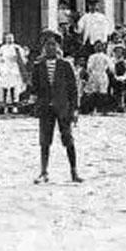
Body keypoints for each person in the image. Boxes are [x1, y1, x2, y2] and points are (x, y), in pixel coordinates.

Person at [31, 33, 82, 184]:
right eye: (47, 45)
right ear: (43, 48)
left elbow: (73, 89)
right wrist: (35, 100)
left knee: (68, 139)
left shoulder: (65, 65)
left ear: (58, 47)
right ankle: (43, 172)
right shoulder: (38, 66)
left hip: (63, 108)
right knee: (44, 141)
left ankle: (74, 171)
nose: (50, 48)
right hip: (46, 108)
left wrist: (75, 109)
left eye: (53, 44)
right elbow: (34, 88)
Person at [0, 33, 26, 115]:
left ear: (13, 39)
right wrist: (1, 61)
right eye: (8, 38)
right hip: (5, 69)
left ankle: (13, 107)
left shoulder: (17, 47)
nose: (9, 40)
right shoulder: (2, 48)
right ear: (5, 39)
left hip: (14, 69)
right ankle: (3, 107)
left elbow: (23, 58)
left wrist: (17, 59)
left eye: (11, 38)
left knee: (14, 88)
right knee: (4, 88)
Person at [84, 43, 113, 114]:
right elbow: (89, 67)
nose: (98, 48)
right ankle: (94, 109)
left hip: (102, 74)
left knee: (102, 92)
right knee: (94, 92)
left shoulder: (105, 56)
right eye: (97, 46)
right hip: (95, 74)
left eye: (100, 46)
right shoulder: (92, 56)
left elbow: (111, 66)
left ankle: (102, 109)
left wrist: (109, 71)